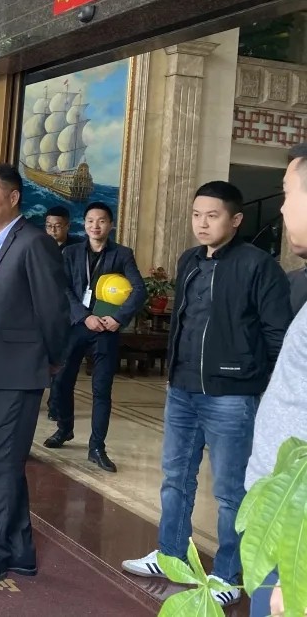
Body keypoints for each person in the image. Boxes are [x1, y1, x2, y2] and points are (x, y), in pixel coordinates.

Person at [122, 181, 290, 608]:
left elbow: (278, 336)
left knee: (231, 491)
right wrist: (173, 372)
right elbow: (184, 322)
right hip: (182, 390)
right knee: (175, 478)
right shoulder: (190, 260)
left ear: (235, 220)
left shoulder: (258, 266)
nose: (202, 223)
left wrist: (260, 386)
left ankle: (228, 575)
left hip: (231, 395)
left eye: (212, 216)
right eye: (197, 215)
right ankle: (171, 556)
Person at [0, 164, 70, 590]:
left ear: (14, 197)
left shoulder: (34, 243)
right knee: (6, 463)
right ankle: (21, 550)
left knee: (1, 466)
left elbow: (54, 309)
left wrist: (52, 360)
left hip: (20, 372)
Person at [246, 143, 307, 617]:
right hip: (283, 515)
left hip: (296, 531)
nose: (282, 208)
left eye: (287, 192)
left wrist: (298, 568)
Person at [44, 202, 146, 472]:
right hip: (77, 325)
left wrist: (118, 318)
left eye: (101, 221)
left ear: (110, 225)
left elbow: (139, 290)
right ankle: (64, 428)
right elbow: (63, 288)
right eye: (90, 220)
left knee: (102, 390)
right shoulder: (71, 252)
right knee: (61, 381)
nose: (95, 226)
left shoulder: (122, 254)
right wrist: (83, 315)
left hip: (106, 328)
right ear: (84, 224)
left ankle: (97, 447)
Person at [44, 206, 79, 421]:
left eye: (57, 226)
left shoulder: (77, 248)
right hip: (43, 311)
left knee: (62, 363)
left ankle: (55, 406)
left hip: (67, 313)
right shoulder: (39, 245)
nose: (53, 230)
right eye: (49, 226)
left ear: (67, 226)